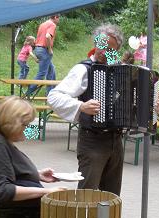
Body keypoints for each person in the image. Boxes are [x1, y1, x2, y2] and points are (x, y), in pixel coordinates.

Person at [47, 23, 124, 196]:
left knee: (112, 196)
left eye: (110, 49)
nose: (103, 51)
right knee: (86, 195)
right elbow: (54, 97)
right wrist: (81, 106)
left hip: (116, 141)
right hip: (92, 141)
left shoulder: (121, 71)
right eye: (101, 46)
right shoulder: (83, 69)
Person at [0, 96, 65, 209]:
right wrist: (47, 192)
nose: (28, 130)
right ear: (12, 124)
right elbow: (3, 191)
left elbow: (3, 169)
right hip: (15, 213)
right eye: (26, 125)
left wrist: (38, 174)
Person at [26, 15, 60, 96]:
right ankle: (28, 93)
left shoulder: (42, 24)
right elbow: (48, 36)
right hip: (44, 50)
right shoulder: (52, 24)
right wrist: (49, 49)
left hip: (37, 49)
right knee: (42, 73)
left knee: (51, 69)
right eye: (59, 18)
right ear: (55, 17)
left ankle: (53, 92)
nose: (59, 20)